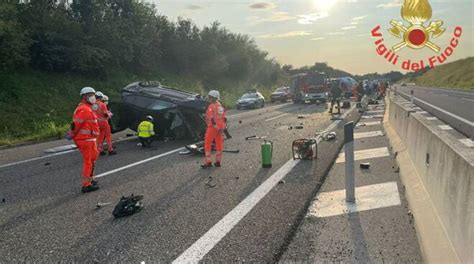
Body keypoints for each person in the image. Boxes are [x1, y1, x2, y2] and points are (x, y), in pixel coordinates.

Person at [68, 87, 100, 193]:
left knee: (93, 159)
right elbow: (76, 124)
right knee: (88, 162)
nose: (92, 97)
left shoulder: (88, 107)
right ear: (84, 97)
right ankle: (86, 185)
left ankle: (90, 181)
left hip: (90, 139)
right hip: (85, 140)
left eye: (93, 95)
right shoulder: (84, 109)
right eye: (90, 95)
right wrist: (72, 134)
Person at [201, 90, 226, 168]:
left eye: (210, 97)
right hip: (220, 127)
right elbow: (224, 118)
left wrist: (215, 126)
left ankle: (208, 162)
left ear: (213, 98)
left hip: (212, 127)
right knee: (219, 143)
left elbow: (211, 118)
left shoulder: (211, 106)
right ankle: (218, 161)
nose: (209, 98)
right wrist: (222, 127)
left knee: (207, 143)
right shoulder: (220, 106)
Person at [94, 91, 116, 156]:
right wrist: (109, 114)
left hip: (96, 123)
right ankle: (110, 150)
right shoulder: (102, 104)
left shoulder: (93, 105)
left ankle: (100, 150)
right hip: (104, 122)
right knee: (108, 136)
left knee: (100, 137)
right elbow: (105, 114)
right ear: (100, 97)